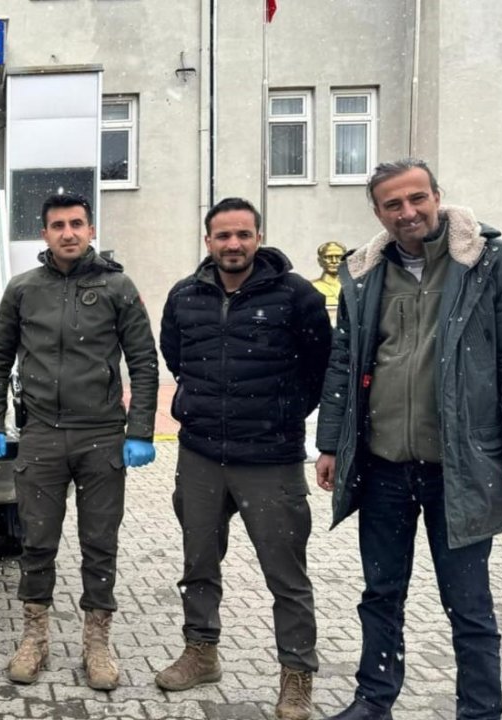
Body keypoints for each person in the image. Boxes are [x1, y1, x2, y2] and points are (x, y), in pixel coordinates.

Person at [315, 159, 502, 720]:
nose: (408, 212)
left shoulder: (495, 263)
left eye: (417, 198)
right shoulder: (366, 273)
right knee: (380, 595)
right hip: (383, 468)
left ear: (438, 197)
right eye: (392, 204)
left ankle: (479, 711)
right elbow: (344, 364)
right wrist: (330, 443)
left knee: (468, 606)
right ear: (378, 212)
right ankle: (374, 700)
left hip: (460, 469)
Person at [155, 197, 331, 720]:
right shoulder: (185, 296)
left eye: (243, 235)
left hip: (271, 459)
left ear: (258, 237)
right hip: (201, 453)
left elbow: (321, 365)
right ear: (208, 241)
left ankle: (296, 676)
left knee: (287, 577)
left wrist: (281, 412)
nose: (233, 244)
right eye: (223, 236)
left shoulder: (296, 295)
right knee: (199, 565)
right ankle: (201, 653)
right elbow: (176, 355)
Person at [0, 192, 160, 691]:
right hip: (41, 437)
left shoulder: (118, 287)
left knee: (99, 544)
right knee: (36, 542)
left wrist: (139, 430)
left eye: (77, 223)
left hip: (101, 437)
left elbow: (144, 362)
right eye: (57, 225)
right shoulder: (23, 290)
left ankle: (96, 641)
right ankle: (35, 637)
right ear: (44, 234)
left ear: (91, 229)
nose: (68, 233)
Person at [311, 241, 346, 323]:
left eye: (339, 257)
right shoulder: (311, 287)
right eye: (328, 257)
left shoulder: (352, 287)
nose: (334, 261)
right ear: (320, 261)